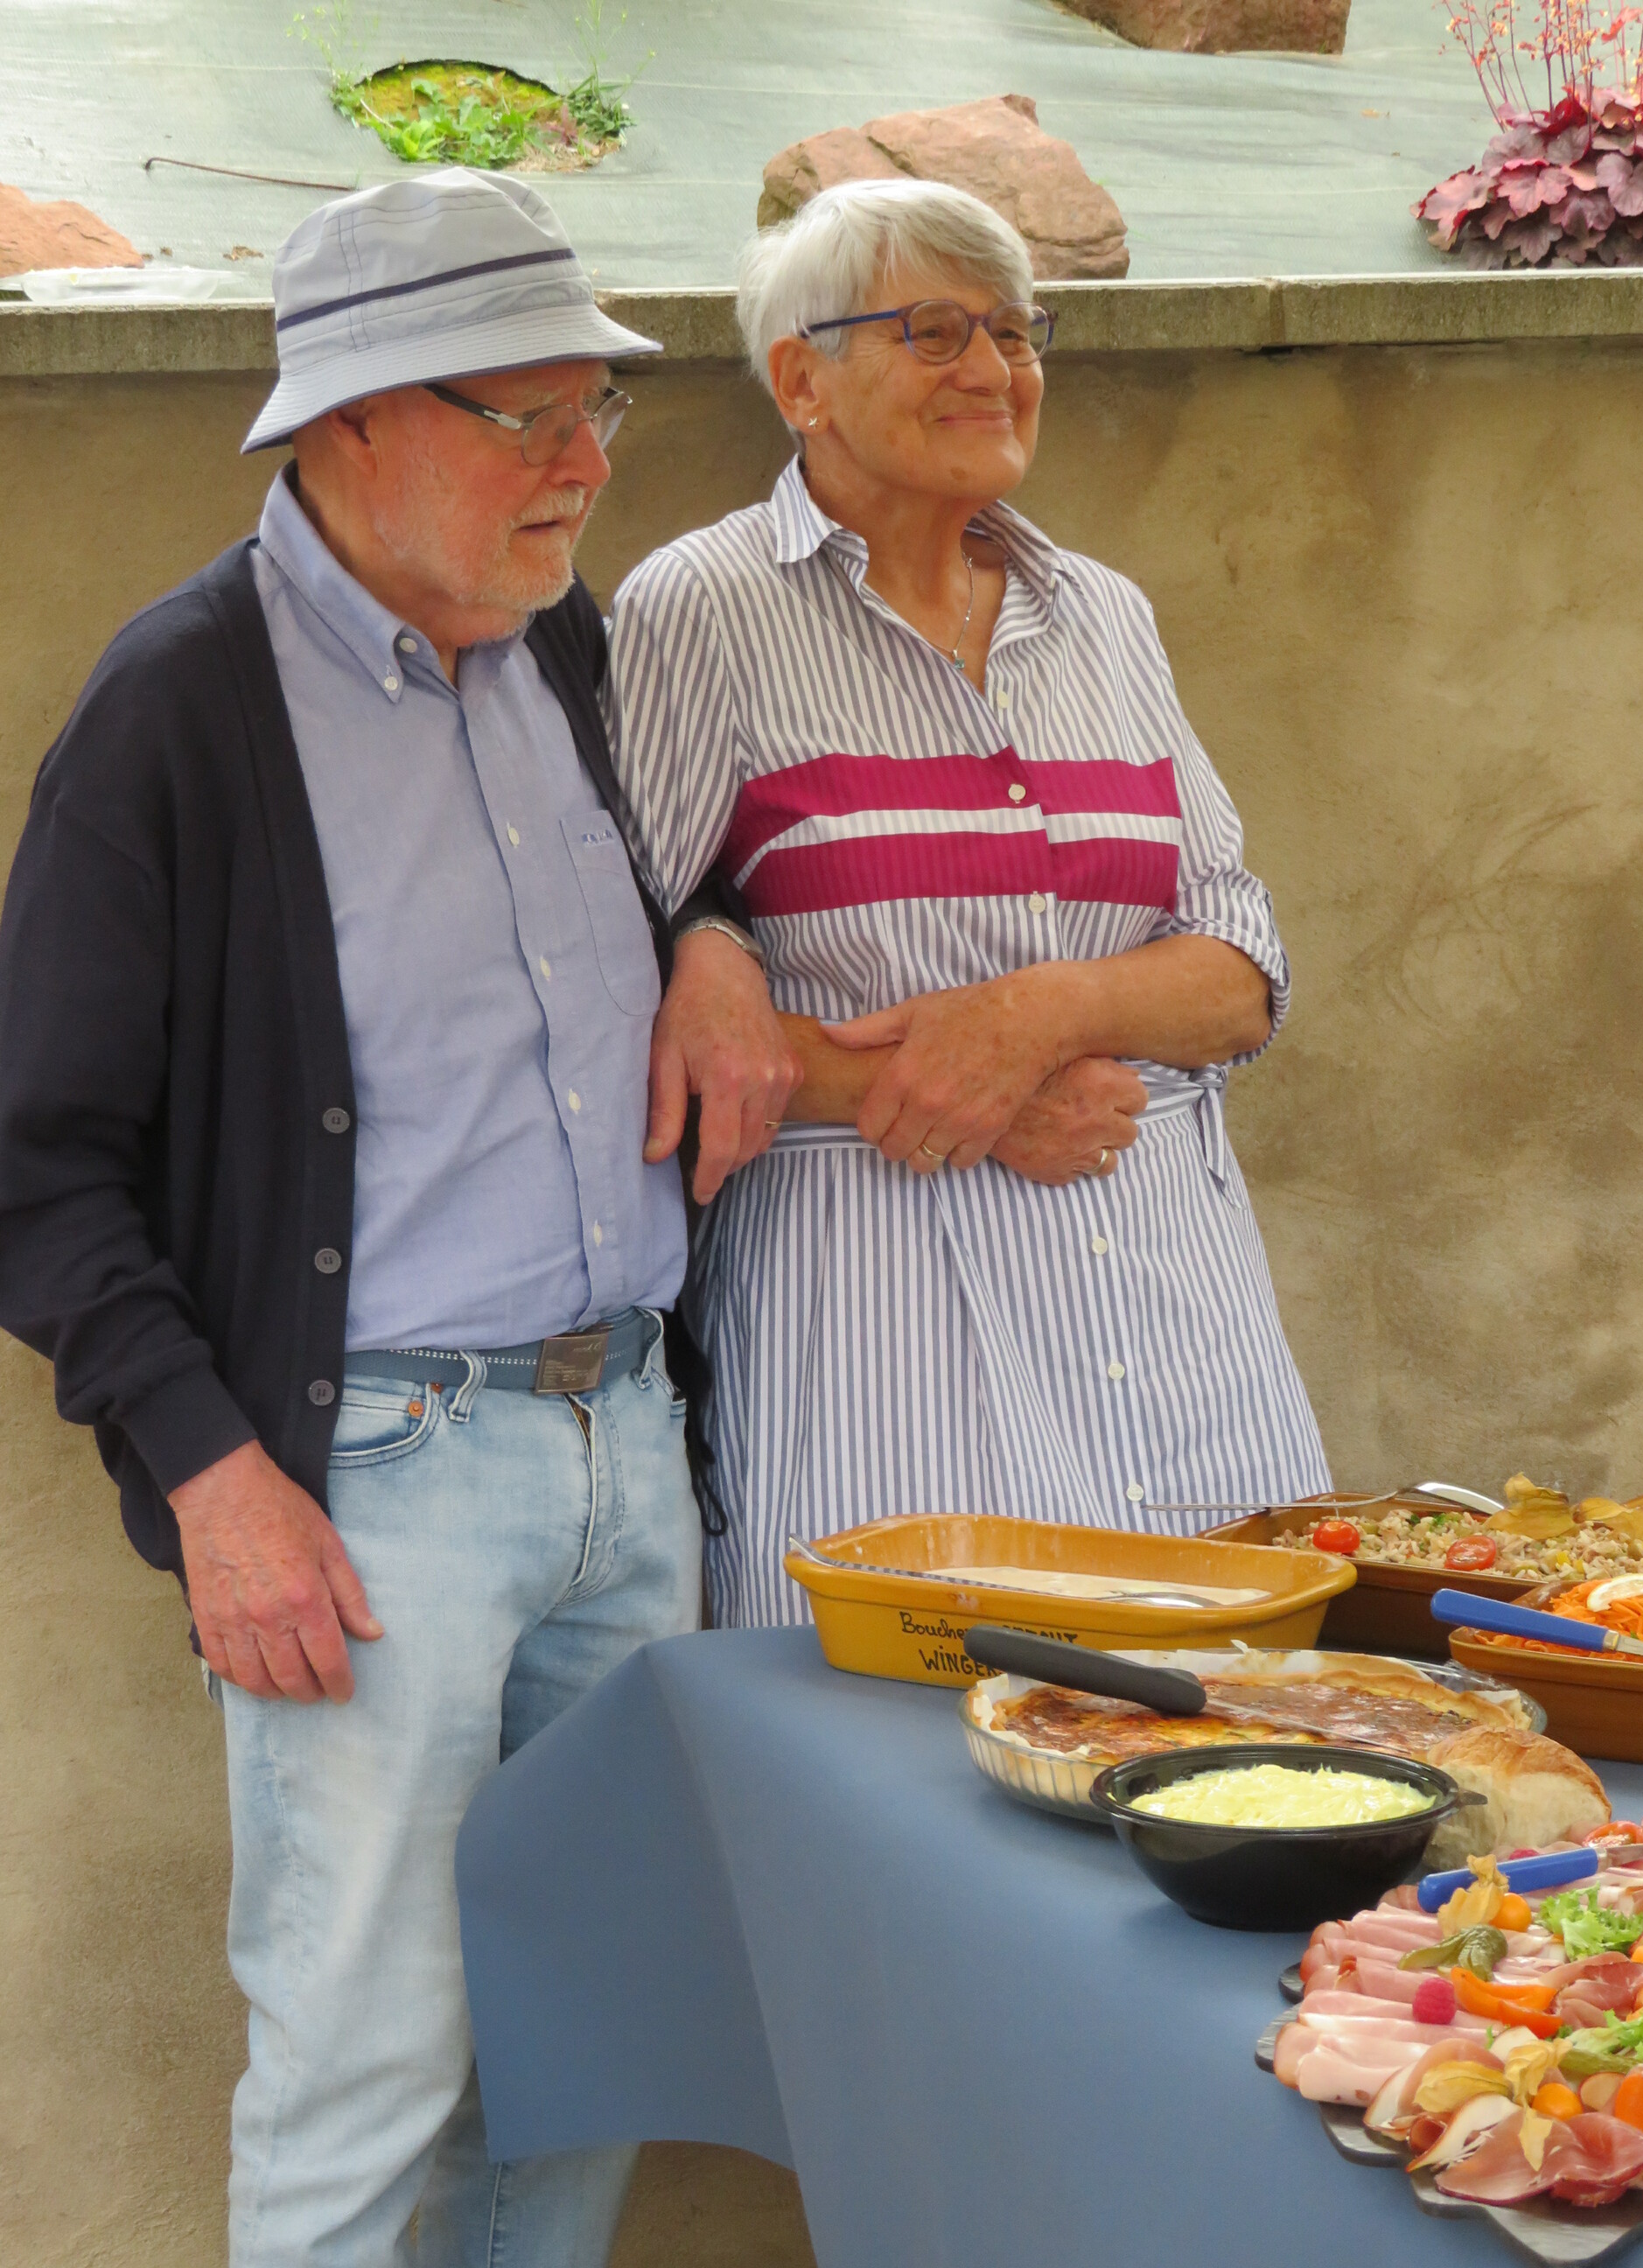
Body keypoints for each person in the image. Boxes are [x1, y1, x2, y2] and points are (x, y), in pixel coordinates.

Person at [0, 170, 793, 2267]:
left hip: (630, 1442)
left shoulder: (567, 641)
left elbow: (668, 874)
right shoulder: (181, 710)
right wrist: (214, 1474)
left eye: (600, 411)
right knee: (362, 2061)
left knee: (582, 2039)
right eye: (528, 414)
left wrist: (714, 943)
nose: (586, 464)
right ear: (350, 422)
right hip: (371, 1487)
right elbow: (33, 1165)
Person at [605, 179, 1332, 1628]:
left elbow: (1244, 964)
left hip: (1175, 1320)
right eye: (935, 331)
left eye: (1015, 330)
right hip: (882, 1333)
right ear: (801, 381)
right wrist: (961, 1089)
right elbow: (610, 993)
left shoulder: (1102, 614)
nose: (995, 368)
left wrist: (1050, 1010)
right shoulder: (703, 610)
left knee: (1226, 1720)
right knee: (893, 1733)